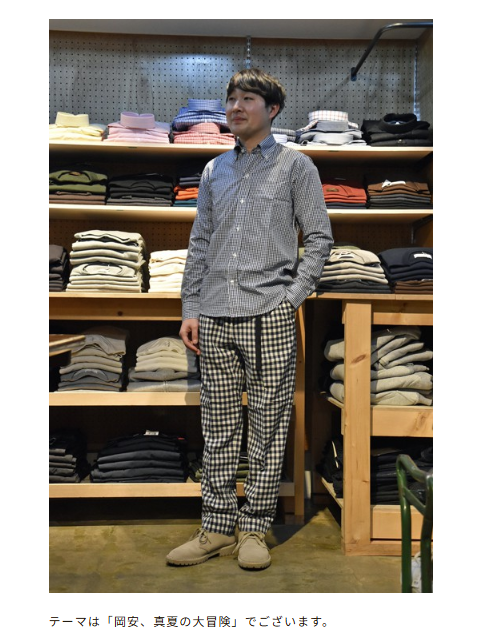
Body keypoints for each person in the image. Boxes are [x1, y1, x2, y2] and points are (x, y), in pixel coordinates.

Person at [166, 68, 333, 570]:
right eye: (232, 98)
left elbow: (319, 239)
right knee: (218, 428)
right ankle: (217, 526)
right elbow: (200, 243)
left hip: (269, 314)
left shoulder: (296, 167)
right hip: (215, 314)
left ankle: (255, 527)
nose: (236, 107)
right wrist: (190, 307)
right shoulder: (214, 170)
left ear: (272, 109)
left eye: (248, 99)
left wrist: (291, 299)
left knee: (268, 425)